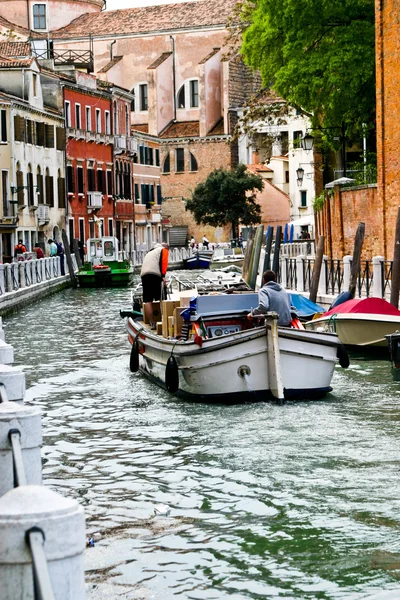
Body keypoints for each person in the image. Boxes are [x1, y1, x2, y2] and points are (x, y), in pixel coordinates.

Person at [140, 242, 169, 329]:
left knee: (148, 300)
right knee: (162, 296)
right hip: (155, 274)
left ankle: (152, 323)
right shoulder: (163, 250)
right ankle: (165, 320)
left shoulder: (150, 252)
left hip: (144, 275)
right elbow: (164, 263)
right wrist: (163, 276)